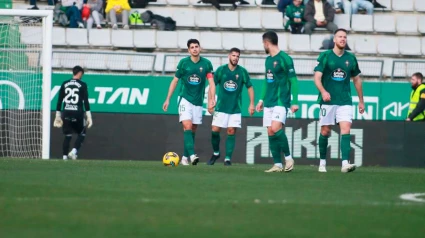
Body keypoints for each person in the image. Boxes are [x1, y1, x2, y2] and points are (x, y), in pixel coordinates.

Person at [313, 28, 364, 173]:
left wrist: (361, 101)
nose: (342, 39)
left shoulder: (351, 58)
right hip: (328, 101)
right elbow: (316, 77)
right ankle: (322, 163)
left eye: (345, 37)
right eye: (340, 37)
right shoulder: (325, 56)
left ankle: (345, 163)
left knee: (346, 129)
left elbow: (357, 80)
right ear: (334, 40)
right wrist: (323, 91)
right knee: (325, 131)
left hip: (345, 100)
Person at [162, 39, 216, 166]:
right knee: (187, 125)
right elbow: (175, 81)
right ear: (189, 50)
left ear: (200, 48)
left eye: (196, 46)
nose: (195, 49)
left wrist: (212, 99)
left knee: (193, 129)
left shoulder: (207, 64)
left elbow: (211, 83)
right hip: (184, 98)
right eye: (192, 47)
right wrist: (168, 99)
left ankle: (185, 157)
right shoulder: (183, 63)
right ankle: (192, 155)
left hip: (198, 101)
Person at [255, 31, 299, 173]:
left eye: (263, 43)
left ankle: (289, 158)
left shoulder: (285, 58)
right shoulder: (268, 60)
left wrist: (295, 101)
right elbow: (266, 81)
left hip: (281, 100)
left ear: (267, 43)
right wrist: (261, 99)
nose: (263, 46)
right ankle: (277, 165)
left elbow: (293, 80)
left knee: (275, 128)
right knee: (270, 132)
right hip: (269, 100)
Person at [207, 48, 255, 166]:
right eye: (233, 55)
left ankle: (227, 159)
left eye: (237, 56)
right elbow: (212, 85)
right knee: (215, 130)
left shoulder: (242, 72)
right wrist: (210, 101)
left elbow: (249, 87)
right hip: (220, 107)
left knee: (231, 131)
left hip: (235, 108)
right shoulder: (221, 70)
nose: (235, 58)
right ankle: (216, 152)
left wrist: (252, 103)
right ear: (229, 56)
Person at [53, 66, 93, 160]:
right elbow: (85, 101)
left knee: (68, 135)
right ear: (79, 73)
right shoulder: (83, 84)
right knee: (82, 133)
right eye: (82, 74)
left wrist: (58, 115)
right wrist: (89, 116)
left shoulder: (64, 83)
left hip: (66, 112)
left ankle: (64, 157)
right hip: (77, 113)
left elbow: (59, 101)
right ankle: (74, 151)